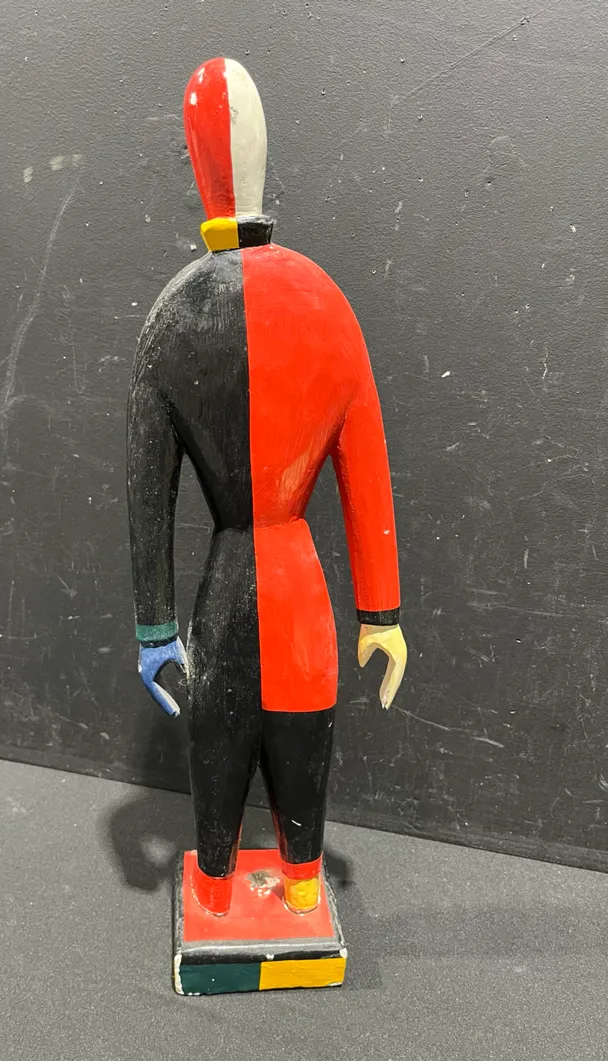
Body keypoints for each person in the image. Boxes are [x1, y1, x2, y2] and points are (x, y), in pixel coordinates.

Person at [127, 57, 407, 918]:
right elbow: (367, 464)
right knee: (301, 757)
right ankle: (298, 888)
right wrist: (381, 614)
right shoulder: (327, 305)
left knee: (217, 755)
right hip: (301, 595)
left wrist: (154, 630)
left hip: (225, 594)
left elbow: (146, 494)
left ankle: (213, 892)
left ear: (197, 162)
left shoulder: (171, 321)